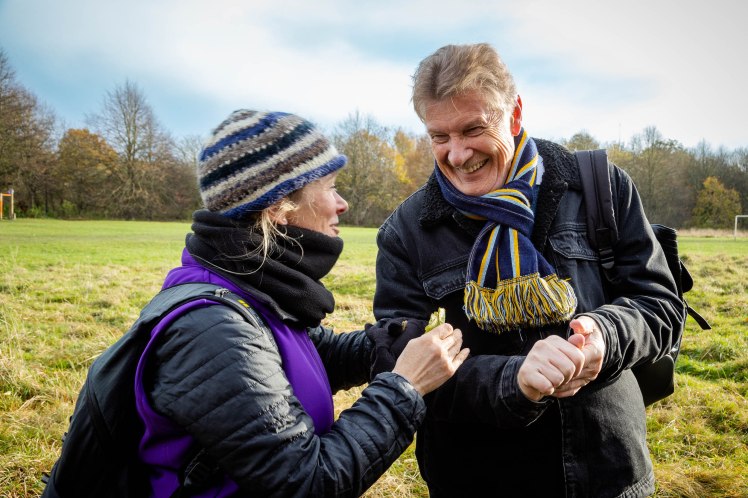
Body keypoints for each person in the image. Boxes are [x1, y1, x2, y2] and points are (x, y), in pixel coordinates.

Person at [371, 44, 685, 497]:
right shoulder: (409, 228)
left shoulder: (599, 186)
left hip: (608, 467)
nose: (457, 155)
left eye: (473, 129)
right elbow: (395, 361)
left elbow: (661, 307)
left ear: (514, 114)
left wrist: (606, 334)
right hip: (477, 474)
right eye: (439, 136)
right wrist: (512, 380)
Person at [136, 109, 469, 497]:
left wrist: (382, 344)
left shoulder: (247, 288)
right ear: (278, 207)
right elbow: (307, 481)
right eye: (329, 186)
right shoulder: (215, 331)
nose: (342, 203)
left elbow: (302, 352)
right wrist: (405, 388)